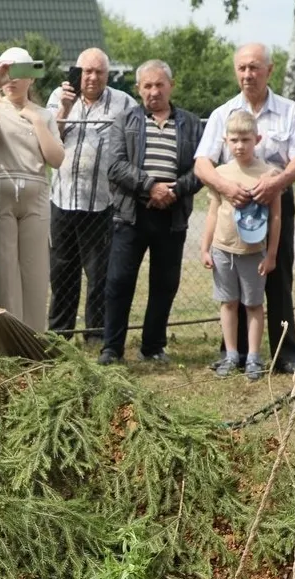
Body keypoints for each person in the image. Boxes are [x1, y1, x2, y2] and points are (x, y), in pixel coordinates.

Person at [195, 43, 295, 375]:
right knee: (232, 283)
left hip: (275, 203)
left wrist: (276, 183)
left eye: (254, 67)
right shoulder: (223, 114)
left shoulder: (290, 111)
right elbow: (202, 162)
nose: (247, 74)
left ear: (269, 70)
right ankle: (236, 352)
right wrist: (225, 187)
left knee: (277, 276)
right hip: (231, 205)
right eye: (242, 68)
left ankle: (285, 353)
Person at [101, 59, 203, 364]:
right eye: (147, 85)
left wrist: (176, 190)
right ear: (138, 89)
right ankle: (111, 348)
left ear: (171, 86)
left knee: (165, 283)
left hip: (172, 217)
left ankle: (153, 346)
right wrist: (150, 186)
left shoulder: (191, 123)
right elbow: (115, 166)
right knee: (119, 282)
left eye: (159, 84)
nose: (153, 91)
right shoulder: (125, 121)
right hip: (132, 214)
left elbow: (202, 168)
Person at [49, 48, 135, 346]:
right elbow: (49, 141)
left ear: (107, 75)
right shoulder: (58, 98)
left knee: (99, 277)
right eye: (87, 71)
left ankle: (96, 336)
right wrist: (63, 108)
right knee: (62, 274)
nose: (92, 77)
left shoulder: (124, 103)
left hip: (101, 204)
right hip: (62, 200)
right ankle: (59, 335)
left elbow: (135, 142)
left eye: (99, 71)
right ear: (78, 72)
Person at [0, 47, 65, 333]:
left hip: (35, 194)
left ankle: (34, 343)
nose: (12, 80)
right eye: (7, 73)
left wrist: (37, 120)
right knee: (4, 275)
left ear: (32, 79)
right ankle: (7, 343)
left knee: (36, 273)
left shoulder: (44, 115)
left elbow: (56, 158)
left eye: (20, 74)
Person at [202, 111, 282, 380]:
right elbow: (213, 212)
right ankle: (232, 354)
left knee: (253, 304)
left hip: (253, 253)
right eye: (234, 140)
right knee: (228, 303)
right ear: (225, 140)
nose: (239, 145)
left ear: (257, 139)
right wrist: (205, 248)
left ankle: (254, 358)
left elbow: (276, 217)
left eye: (245, 139)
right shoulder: (221, 174)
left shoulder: (268, 174)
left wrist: (271, 254)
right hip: (223, 250)